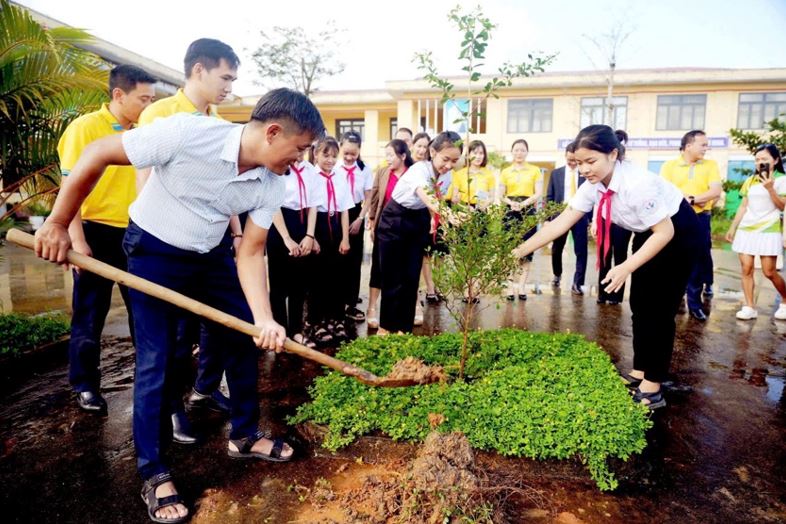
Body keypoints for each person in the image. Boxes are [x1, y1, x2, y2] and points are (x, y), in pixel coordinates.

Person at [35, 88, 324, 523]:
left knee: (243, 335)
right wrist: (58, 222)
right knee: (160, 357)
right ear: (273, 131)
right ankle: (154, 472)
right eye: (300, 148)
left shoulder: (272, 181)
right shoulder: (189, 133)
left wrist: (264, 319)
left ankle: (244, 435)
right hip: (154, 250)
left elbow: (250, 251)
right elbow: (95, 153)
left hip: (210, 254)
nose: (300, 159)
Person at [513, 125, 700, 410]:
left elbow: (665, 233)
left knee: (659, 310)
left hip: (677, 233)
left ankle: (654, 387)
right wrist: (518, 251)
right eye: (579, 163)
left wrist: (625, 266)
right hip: (648, 234)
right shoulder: (593, 186)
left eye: (591, 161)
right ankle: (640, 371)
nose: (585, 169)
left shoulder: (637, 184)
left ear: (613, 154)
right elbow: (562, 221)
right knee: (640, 302)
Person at [137, 38, 242, 432]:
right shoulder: (162, 114)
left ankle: (206, 387)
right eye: (225, 77)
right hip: (169, 243)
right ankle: (173, 408)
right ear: (199, 70)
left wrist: (234, 232)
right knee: (176, 337)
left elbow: (221, 186)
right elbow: (145, 180)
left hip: (211, 242)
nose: (229, 86)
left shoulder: (216, 122)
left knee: (218, 324)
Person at [58, 65, 156, 414]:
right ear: (119, 95)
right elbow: (69, 188)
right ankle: (85, 384)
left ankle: (149, 383)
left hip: (134, 232)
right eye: (143, 98)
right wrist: (77, 242)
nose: (149, 105)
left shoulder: (144, 131)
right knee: (89, 312)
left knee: (143, 312)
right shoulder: (85, 128)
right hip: (94, 232)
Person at [377, 131, 461, 334]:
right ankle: (385, 328)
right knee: (392, 277)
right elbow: (427, 195)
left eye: (455, 161)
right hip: (395, 219)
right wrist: (448, 214)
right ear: (432, 151)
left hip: (418, 219)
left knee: (411, 277)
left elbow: (435, 202)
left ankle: (403, 330)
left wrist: (436, 218)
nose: (449, 165)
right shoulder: (419, 170)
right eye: (445, 159)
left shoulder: (448, 174)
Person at [660, 130, 722, 321]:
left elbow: (715, 191)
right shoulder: (669, 166)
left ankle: (695, 304)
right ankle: (673, 301)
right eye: (702, 145)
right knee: (672, 259)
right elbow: (663, 191)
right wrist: (690, 200)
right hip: (675, 218)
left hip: (701, 218)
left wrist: (692, 199)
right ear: (688, 146)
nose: (706, 148)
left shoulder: (710, 165)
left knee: (697, 260)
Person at [725, 144, 786, 320]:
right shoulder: (750, 180)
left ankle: (785, 300)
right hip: (746, 229)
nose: (760, 162)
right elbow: (744, 206)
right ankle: (749, 306)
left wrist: (770, 188)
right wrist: (733, 227)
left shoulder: (782, 179)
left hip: (769, 229)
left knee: (769, 272)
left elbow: (782, 206)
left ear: (775, 160)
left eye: (764, 159)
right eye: (757, 159)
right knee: (746, 269)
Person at [268, 150, 322, 347]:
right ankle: (280, 331)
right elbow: (272, 204)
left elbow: (314, 205)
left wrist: (309, 235)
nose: (300, 154)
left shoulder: (310, 171)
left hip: (302, 223)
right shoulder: (277, 168)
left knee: (299, 282)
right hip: (279, 226)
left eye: (304, 150)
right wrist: (286, 238)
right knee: (279, 283)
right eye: (297, 149)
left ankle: (296, 330)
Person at [308, 136, 353, 343]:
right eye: (326, 155)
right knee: (318, 278)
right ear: (316, 154)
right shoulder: (311, 175)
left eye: (334, 156)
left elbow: (344, 209)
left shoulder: (340, 176)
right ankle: (316, 322)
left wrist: (345, 238)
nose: (330, 160)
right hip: (318, 226)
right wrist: (312, 237)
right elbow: (312, 208)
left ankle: (336, 319)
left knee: (337, 278)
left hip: (335, 226)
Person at [366, 139, 414, 329]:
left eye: (390, 155)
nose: (387, 159)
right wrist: (372, 221)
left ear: (402, 156)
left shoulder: (412, 173)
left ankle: (400, 316)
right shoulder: (383, 172)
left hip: (407, 227)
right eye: (385, 155)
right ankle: (374, 310)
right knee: (380, 269)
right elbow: (376, 197)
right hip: (384, 227)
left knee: (402, 272)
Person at [499, 139, 542, 300]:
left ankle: (522, 287)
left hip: (528, 210)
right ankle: (510, 287)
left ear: (527, 152)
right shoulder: (505, 172)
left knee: (527, 248)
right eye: (516, 150)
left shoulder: (534, 170)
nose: (519, 153)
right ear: (512, 152)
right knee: (510, 249)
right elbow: (501, 194)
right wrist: (511, 203)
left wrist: (523, 203)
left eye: (522, 150)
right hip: (509, 211)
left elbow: (537, 193)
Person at [337, 131, 373, 322]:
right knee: (337, 259)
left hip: (356, 214)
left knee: (354, 260)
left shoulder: (365, 169)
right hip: (335, 214)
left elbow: (368, 197)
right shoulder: (333, 167)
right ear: (340, 147)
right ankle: (336, 301)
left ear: (359, 150)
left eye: (354, 153)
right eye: (346, 153)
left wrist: (360, 218)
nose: (350, 157)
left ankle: (351, 302)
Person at [547, 142, 589, 295]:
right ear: (565, 156)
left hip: (580, 216)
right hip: (560, 215)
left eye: (574, 160)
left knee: (581, 251)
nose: (572, 163)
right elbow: (550, 196)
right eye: (569, 160)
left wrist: (590, 219)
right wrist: (547, 218)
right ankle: (557, 275)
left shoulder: (586, 174)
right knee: (557, 249)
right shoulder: (556, 173)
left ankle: (578, 283)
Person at [596, 130, 632, 306]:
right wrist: (596, 221)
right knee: (604, 256)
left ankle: (615, 295)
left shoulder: (628, 175)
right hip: (604, 219)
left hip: (622, 221)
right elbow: (597, 199)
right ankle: (602, 293)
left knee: (620, 257)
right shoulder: (600, 175)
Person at [411, 132, 442, 304]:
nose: (422, 149)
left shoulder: (430, 168)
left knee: (424, 255)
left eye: (425, 146)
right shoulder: (407, 166)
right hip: (406, 215)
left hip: (426, 213)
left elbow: (433, 195)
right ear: (412, 146)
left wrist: (433, 217)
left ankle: (426, 291)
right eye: (419, 145)